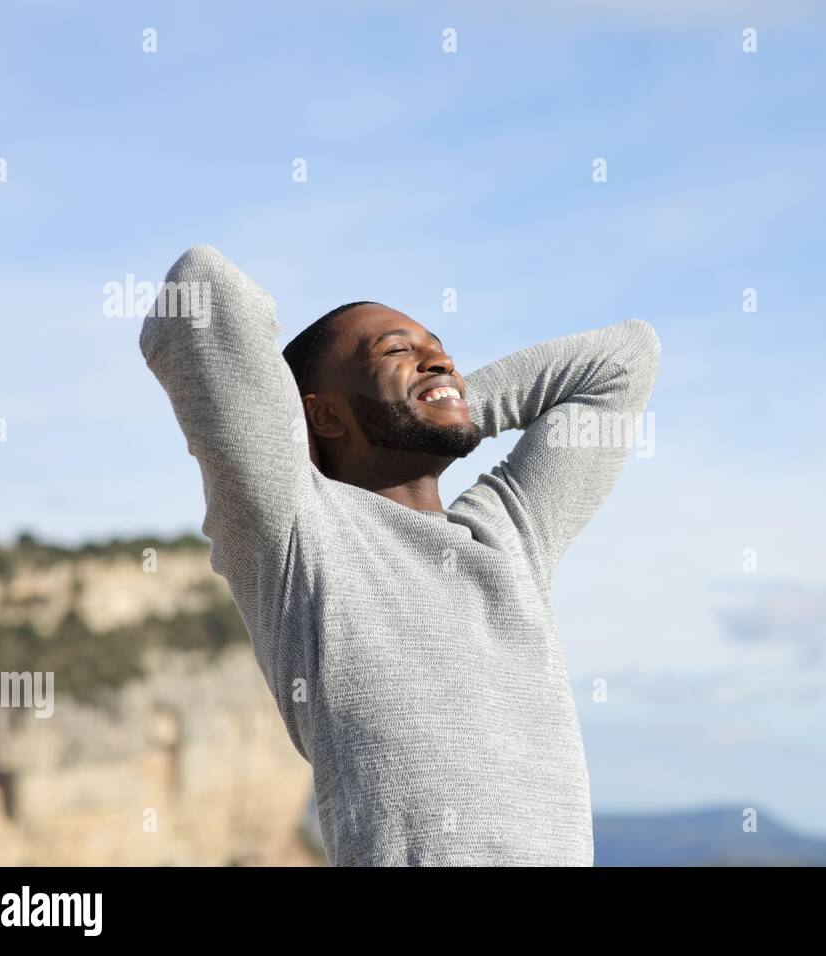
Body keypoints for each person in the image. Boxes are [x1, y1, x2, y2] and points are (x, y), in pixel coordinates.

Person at [139, 245, 660, 865]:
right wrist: (389, 416)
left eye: (438, 347)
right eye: (395, 351)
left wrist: (447, 406)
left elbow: (626, 360)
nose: (439, 358)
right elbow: (199, 290)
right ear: (323, 414)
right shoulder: (295, 529)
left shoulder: (509, 537)